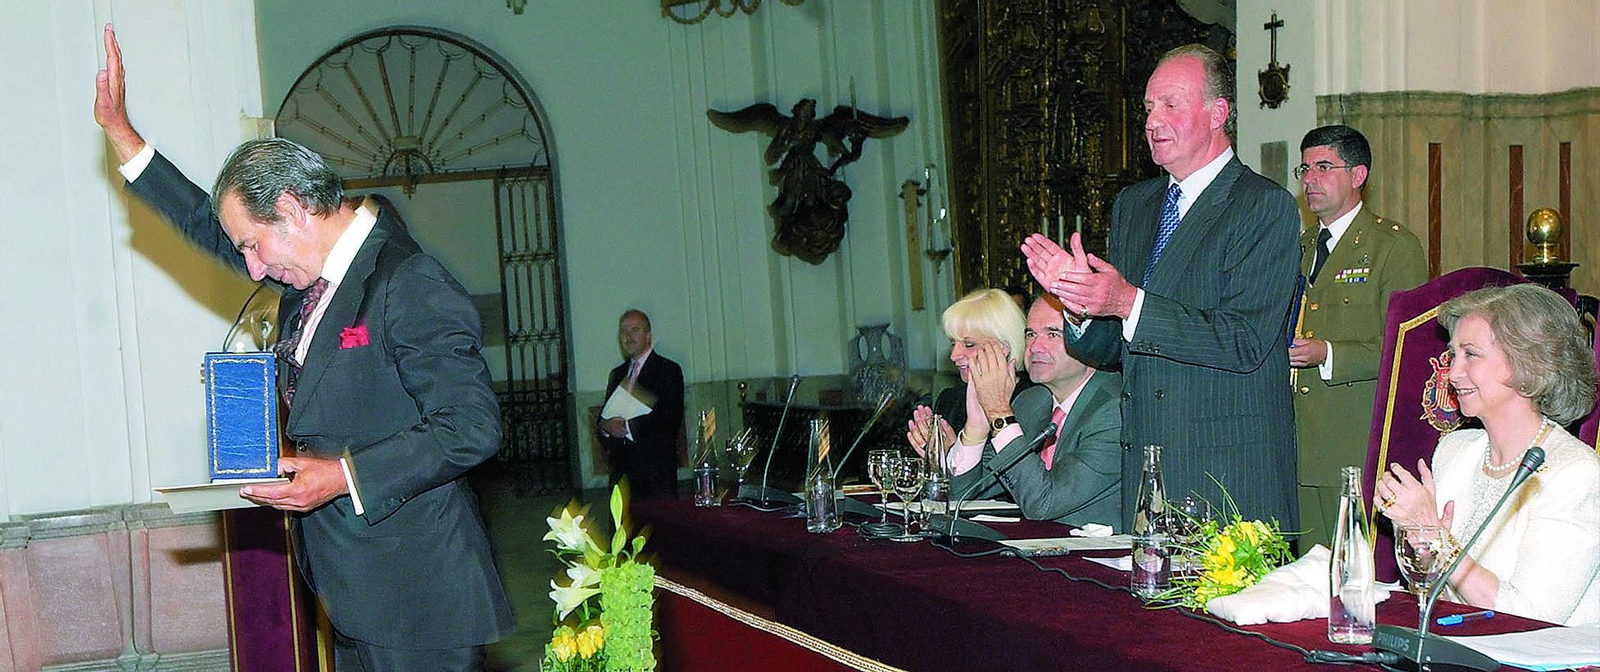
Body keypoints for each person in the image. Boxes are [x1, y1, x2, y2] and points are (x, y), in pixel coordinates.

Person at [94, 25, 512, 671]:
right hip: (354, 588)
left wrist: (341, 475)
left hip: (418, 598)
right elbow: (208, 225)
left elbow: (472, 426)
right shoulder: (313, 277)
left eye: (254, 246)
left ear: (292, 208)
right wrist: (123, 135)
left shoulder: (405, 280)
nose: (253, 269)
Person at [1021, 44, 1301, 531]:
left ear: (1218, 114)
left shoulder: (1262, 206)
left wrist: (1127, 300)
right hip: (1147, 470)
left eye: (1170, 104)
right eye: (1149, 108)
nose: (1153, 121)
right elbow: (1115, 347)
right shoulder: (1136, 205)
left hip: (1224, 470)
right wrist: (1079, 302)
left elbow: (1245, 341)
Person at [1375, 284, 1599, 626]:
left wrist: (1438, 540)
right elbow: (1427, 591)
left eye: (1471, 355)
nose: (1452, 373)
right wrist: (1413, 530)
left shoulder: (1575, 473)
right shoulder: (1455, 450)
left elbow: (1532, 618)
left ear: (1528, 365)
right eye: (1453, 355)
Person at [1290, 124, 1427, 550]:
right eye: (1305, 168)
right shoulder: (1302, 243)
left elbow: (1406, 351)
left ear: (1358, 175)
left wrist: (1326, 353)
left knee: (1347, 567)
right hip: (1298, 438)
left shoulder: (1392, 247)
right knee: (1299, 570)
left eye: (1324, 167)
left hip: (1351, 437)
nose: (1310, 179)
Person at [944, 294, 1123, 527]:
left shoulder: (1114, 409)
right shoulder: (1032, 401)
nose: (1035, 347)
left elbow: (1043, 504)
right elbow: (966, 496)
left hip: (1100, 559)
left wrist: (999, 413)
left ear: (1091, 342)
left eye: (1053, 334)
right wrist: (977, 426)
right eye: (1030, 334)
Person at [905, 289, 1026, 459]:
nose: (954, 355)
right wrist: (945, 457)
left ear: (1003, 347)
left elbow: (1018, 476)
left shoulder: (1033, 399)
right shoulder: (950, 400)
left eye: (969, 344)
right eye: (953, 343)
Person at [597, 309, 686, 500]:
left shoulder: (668, 370)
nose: (628, 337)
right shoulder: (617, 374)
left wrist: (627, 427)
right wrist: (605, 426)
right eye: (623, 332)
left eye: (635, 330)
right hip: (621, 473)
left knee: (658, 528)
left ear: (648, 336)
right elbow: (604, 416)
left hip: (655, 473)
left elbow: (669, 416)